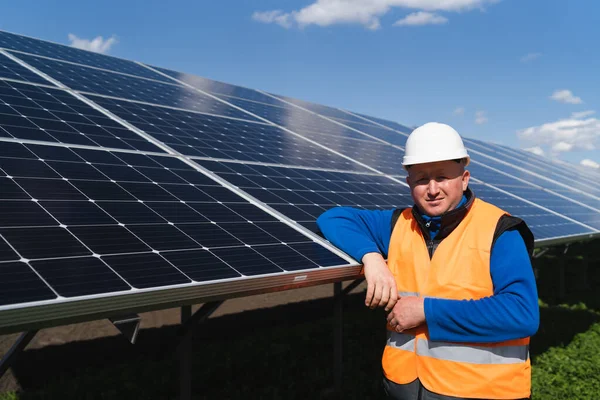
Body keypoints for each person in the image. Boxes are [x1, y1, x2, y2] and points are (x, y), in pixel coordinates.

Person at [317, 122, 539, 400]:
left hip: (481, 392)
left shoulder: (500, 231)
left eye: (442, 177)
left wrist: (426, 311)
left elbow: (521, 314)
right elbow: (334, 218)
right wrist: (371, 257)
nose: (432, 189)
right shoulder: (398, 224)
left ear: (464, 179)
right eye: (421, 179)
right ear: (409, 182)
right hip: (403, 387)